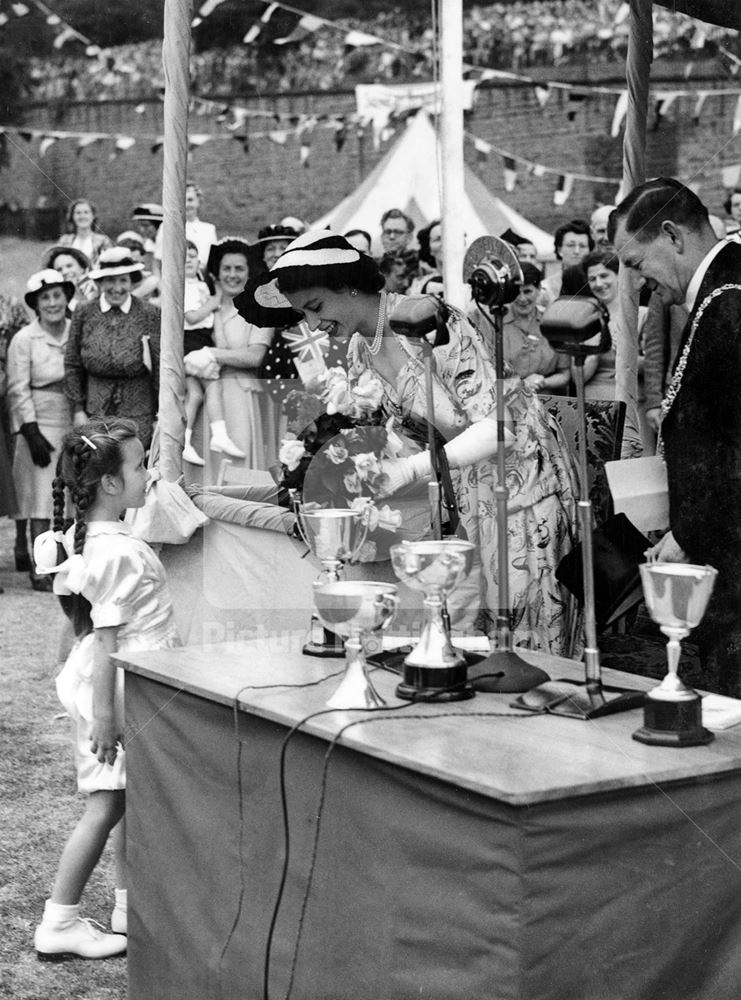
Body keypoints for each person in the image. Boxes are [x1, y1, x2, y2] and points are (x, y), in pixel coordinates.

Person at [236, 230, 579, 654]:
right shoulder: (362, 346)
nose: (311, 324)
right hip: (466, 491)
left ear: (349, 286)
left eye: (316, 307)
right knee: (476, 636)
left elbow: (500, 427)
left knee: (521, 638)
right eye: (302, 313)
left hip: (521, 488)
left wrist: (411, 470)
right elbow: (399, 429)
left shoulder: (431, 320)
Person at [32, 417, 179, 960]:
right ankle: (59, 921)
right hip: (114, 690)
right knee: (106, 803)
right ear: (111, 484)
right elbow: (110, 640)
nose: (149, 475)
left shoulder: (106, 538)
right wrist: (107, 720)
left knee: (124, 800)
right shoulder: (116, 549)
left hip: (118, 684)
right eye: (141, 466)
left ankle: (126, 905)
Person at [610, 177, 741, 696]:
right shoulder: (719, 293)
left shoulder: (728, 302)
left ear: (672, 235)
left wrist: (693, 533)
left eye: (638, 263)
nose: (641, 285)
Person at [7, 269, 75, 591]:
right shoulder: (24, 339)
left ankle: (67, 564)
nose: (52, 303)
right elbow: (18, 389)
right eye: (45, 298)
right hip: (38, 423)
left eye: (57, 295)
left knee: (72, 499)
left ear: (66, 298)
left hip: (71, 418)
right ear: (36, 304)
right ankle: (40, 569)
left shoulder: (75, 332)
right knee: (39, 502)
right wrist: (31, 432)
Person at [189, 238, 277, 473]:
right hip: (204, 396)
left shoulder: (260, 310)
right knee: (202, 471)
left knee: (237, 468)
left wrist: (212, 353)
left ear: (249, 273)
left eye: (239, 269)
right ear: (217, 273)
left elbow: (255, 356)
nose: (232, 275)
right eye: (226, 269)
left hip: (240, 395)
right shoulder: (207, 308)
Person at [64, 247, 161, 451]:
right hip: (96, 412)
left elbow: (160, 366)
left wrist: (158, 414)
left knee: (134, 466)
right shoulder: (84, 312)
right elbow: (72, 364)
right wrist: (78, 410)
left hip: (138, 410)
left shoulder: (150, 313)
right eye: (110, 280)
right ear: (100, 282)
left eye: (123, 280)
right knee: (100, 468)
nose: (117, 288)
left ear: (132, 282)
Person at [181, 240, 243, 466]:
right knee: (213, 386)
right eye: (183, 256)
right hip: (190, 342)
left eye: (192, 256)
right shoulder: (183, 286)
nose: (188, 260)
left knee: (195, 395)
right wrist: (214, 301)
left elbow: (210, 318)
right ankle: (219, 434)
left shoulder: (199, 283)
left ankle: (185, 440)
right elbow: (192, 317)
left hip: (203, 338)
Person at [485, 262, 570, 394]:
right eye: (516, 293)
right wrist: (521, 385)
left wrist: (542, 382)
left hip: (546, 400)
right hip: (505, 400)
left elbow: (565, 374)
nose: (522, 299)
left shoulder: (554, 322)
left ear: (539, 289)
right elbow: (486, 374)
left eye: (528, 291)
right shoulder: (495, 323)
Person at [541, 219, 594, 304]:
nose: (577, 251)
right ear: (559, 250)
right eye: (571, 245)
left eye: (582, 246)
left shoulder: (598, 284)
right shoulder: (545, 289)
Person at [56, 199, 113, 267]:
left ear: (93, 216)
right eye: (78, 213)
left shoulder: (103, 241)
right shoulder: (64, 241)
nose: (82, 216)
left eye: (86, 212)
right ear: (72, 216)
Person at [42, 246, 98, 312]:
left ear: (83, 268)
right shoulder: (54, 300)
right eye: (59, 270)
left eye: (69, 266)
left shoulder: (95, 290)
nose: (65, 272)